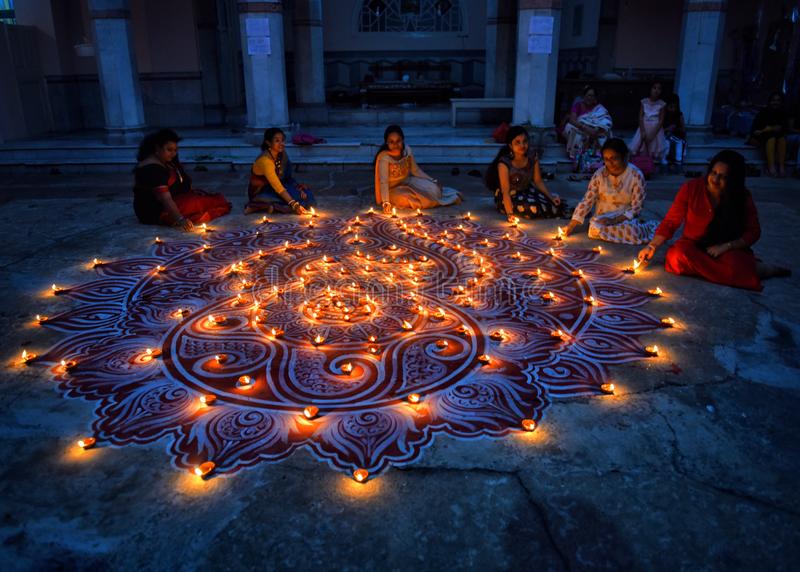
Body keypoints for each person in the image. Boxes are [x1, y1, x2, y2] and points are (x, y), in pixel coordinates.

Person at [638, 150, 789, 290]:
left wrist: (727, 246)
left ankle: (758, 269)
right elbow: (671, 221)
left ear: (734, 180)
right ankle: (743, 271)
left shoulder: (742, 197)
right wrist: (652, 246)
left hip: (726, 249)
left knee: (734, 266)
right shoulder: (691, 189)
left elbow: (754, 231)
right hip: (694, 246)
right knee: (676, 256)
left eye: (723, 177)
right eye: (713, 172)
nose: (715, 179)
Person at [133, 129, 231, 231]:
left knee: (207, 199)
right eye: (169, 150)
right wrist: (180, 220)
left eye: (175, 150)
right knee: (211, 202)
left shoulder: (162, 161)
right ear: (157, 148)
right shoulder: (152, 168)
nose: (173, 154)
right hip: (154, 211)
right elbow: (165, 199)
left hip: (164, 203)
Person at [565, 138, 658, 244]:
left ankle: (627, 232)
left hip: (624, 218)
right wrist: (570, 226)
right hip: (603, 218)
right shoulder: (599, 174)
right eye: (606, 159)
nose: (610, 163)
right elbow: (587, 200)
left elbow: (636, 208)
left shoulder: (636, 175)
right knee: (594, 228)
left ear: (624, 157)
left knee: (632, 231)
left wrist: (614, 221)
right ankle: (612, 234)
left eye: (614, 158)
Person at [374, 125, 462, 213]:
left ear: (403, 140)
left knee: (434, 189)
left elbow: (416, 170)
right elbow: (383, 182)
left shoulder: (406, 151)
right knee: (410, 198)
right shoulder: (384, 158)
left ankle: (431, 197)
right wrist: (386, 202)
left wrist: (433, 181)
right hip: (391, 190)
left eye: (398, 141)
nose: (395, 145)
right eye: (391, 142)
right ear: (386, 143)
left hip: (407, 181)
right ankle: (428, 201)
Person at [485, 125, 567, 220]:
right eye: (517, 142)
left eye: (525, 141)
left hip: (526, 191)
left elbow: (538, 181)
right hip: (508, 197)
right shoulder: (504, 163)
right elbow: (505, 191)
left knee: (551, 203)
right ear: (510, 145)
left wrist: (551, 197)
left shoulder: (532, 157)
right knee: (532, 208)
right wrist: (510, 214)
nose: (522, 145)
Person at [246, 127, 315, 214]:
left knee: (308, 196)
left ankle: (275, 207)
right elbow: (278, 187)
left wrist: (298, 188)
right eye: (277, 141)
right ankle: (256, 205)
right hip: (264, 191)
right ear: (268, 143)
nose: (281, 144)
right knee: (297, 201)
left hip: (281, 185)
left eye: (282, 140)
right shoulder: (265, 161)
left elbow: (287, 177)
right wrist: (293, 204)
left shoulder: (281, 153)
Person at [562, 85, 613, 166]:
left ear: (595, 98)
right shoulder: (578, 105)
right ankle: (577, 157)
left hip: (595, 131)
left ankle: (596, 159)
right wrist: (585, 128)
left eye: (593, 96)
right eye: (589, 95)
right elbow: (572, 120)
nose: (590, 98)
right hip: (581, 129)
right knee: (570, 128)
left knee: (606, 133)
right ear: (584, 96)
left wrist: (596, 129)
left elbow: (606, 121)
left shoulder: (599, 108)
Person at [748, 92, 789, 177]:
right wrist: (767, 129)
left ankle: (781, 167)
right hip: (762, 136)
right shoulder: (763, 112)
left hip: (777, 136)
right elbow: (755, 129)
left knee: (781, 138)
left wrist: (771, 128)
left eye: (778, 100)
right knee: (771, 138)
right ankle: (771, 167)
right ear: (770, 101)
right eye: (773, 100)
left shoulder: (783, 113)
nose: (775, 102)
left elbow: (784, 127)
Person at [629, 81, 667, 162]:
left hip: (655, 129)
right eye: (654, 88)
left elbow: (661, 120)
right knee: (641, 148)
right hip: (644, 126)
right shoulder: (644, 101)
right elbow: (640, 116)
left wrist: (652, 134)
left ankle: (650, 166)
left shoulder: (662, 104)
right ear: (650, 89)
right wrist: (642, 131)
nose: (656, 90)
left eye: (659, 89)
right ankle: (642, 165)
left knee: (653, 149)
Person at [662, 93, 686, 171]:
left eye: (674, 107)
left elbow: (683, 129)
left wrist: (675, 129)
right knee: (667, 144)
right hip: (665, 136)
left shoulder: (679, 115)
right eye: (670, 106)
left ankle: (677, 164)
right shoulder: (664, 115)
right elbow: (659, 129)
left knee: (679, 143)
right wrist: (667, 129)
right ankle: (666, 164)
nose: (672, 109)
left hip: (677, 136)